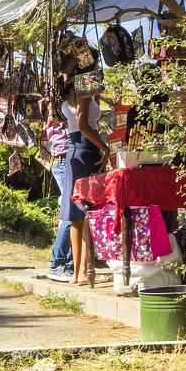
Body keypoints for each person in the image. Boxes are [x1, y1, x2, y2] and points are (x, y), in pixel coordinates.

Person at [60, 63, 109, 286]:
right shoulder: (84, 85)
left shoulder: (70, 87)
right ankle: (83, 272)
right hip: (86, 148)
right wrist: (105, 148)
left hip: (74, 149)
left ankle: (78, 273)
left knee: (77, 215)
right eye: (98, 67)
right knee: (88, 211)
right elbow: (83, 125)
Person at [41, 102, 73, 281]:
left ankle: (68, 263)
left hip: (65, 162)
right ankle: (57, 263)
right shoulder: (57, 110)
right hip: (62, 162)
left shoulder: (60, 110)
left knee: (74, 215)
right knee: (70, 215)